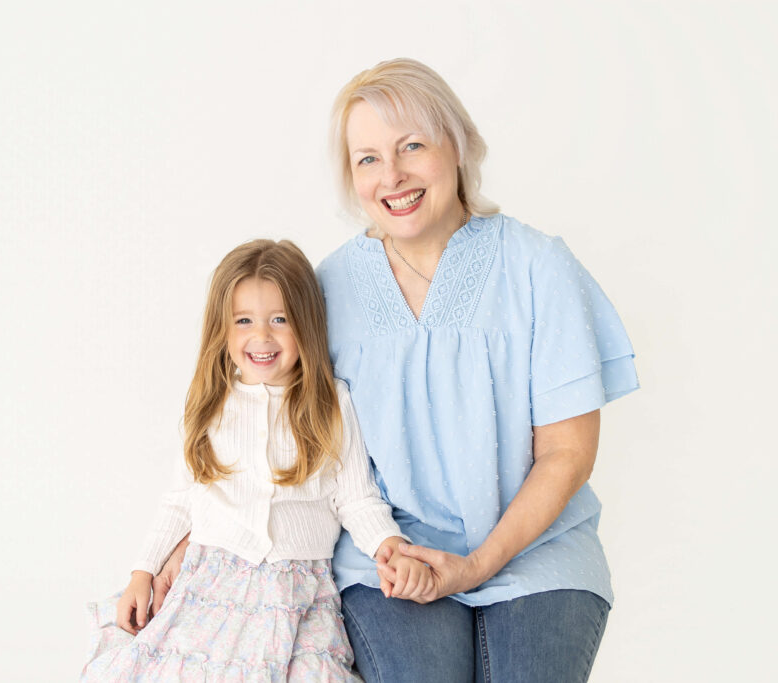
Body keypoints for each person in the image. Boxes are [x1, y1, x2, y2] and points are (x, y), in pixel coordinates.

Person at [153, 58, 639, 682]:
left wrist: (477, 564)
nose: (393, 176)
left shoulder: (539, 267)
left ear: (457, 147)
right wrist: (187, 547)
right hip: (387, 555)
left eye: (413, 146)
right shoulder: (325, 288)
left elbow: (567, 454)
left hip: (537, 550)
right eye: (368, 159)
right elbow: (265, 426)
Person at [82, 239, 430, 681]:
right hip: (213, 580)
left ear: (306, 324)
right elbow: (180, 499)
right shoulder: (209, 403)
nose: (261, 336)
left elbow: (356, 498)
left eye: (280, 320)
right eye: (243, 320)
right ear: (222, 329)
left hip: (299, 588)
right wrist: (142, 572)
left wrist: (390, 545)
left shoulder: (330, 402)